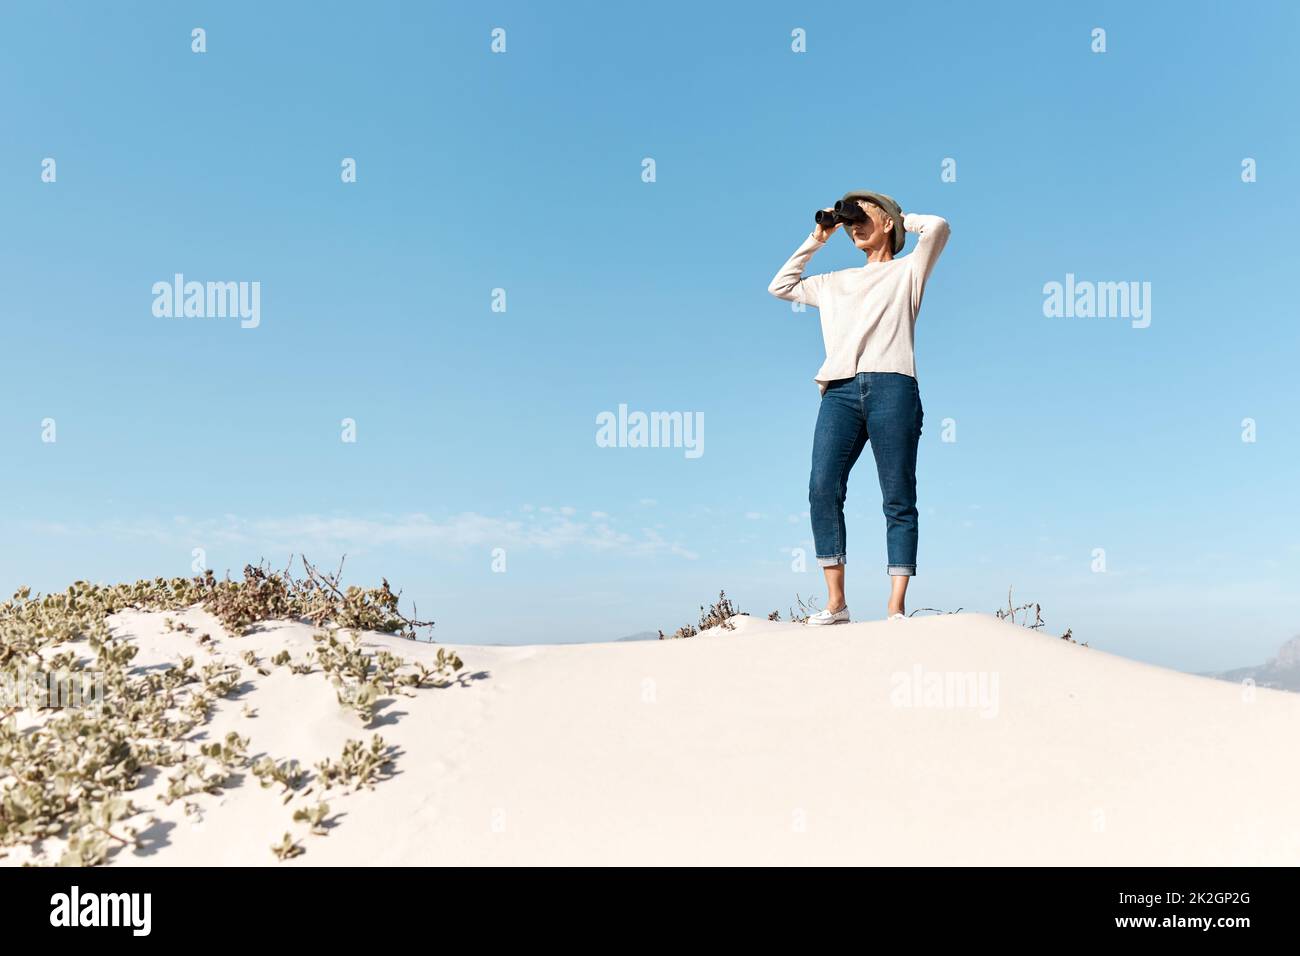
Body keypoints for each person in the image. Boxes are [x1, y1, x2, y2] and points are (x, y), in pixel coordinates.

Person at [767, 191, 950, 624]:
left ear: (887, 223)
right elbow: (781, 286)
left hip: (894, 387)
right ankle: (836, 603)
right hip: (840, 392)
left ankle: (895, 607)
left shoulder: (909, 271)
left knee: (898, 498)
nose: (854, 225)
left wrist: (903, 216)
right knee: (821, 488)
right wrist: (818, 237)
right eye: (849, 221)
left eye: (862, 216)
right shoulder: (835, 282)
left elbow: (939, 227)